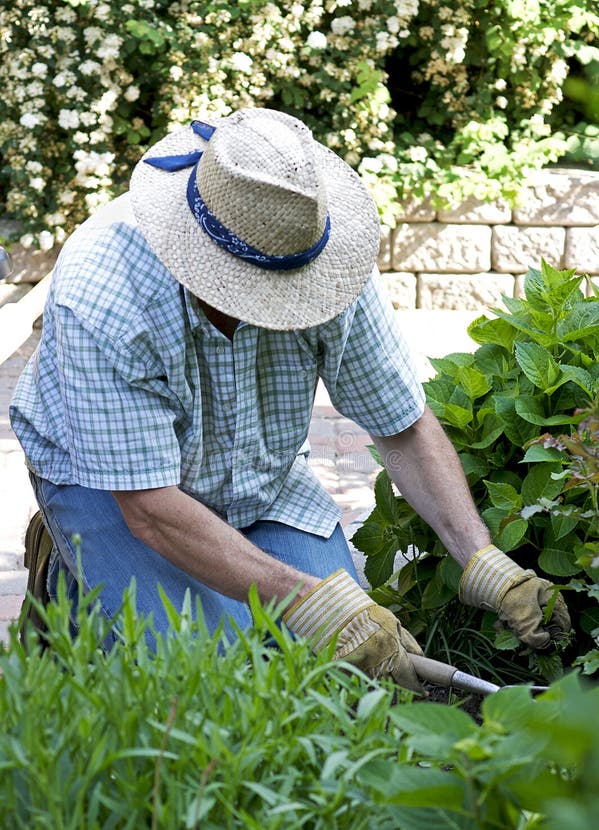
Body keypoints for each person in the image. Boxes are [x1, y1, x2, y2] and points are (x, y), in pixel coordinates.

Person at [10, 107, 570, 691]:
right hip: (113, 487)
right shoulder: (105, 292)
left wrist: (486, 564)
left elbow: (402, 427)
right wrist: (318, 604)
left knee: (347, 680)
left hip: (258, 478)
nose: (282, 303)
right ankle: (68, 574)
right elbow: (150, 508)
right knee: (208, 679)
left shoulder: (320, 259)